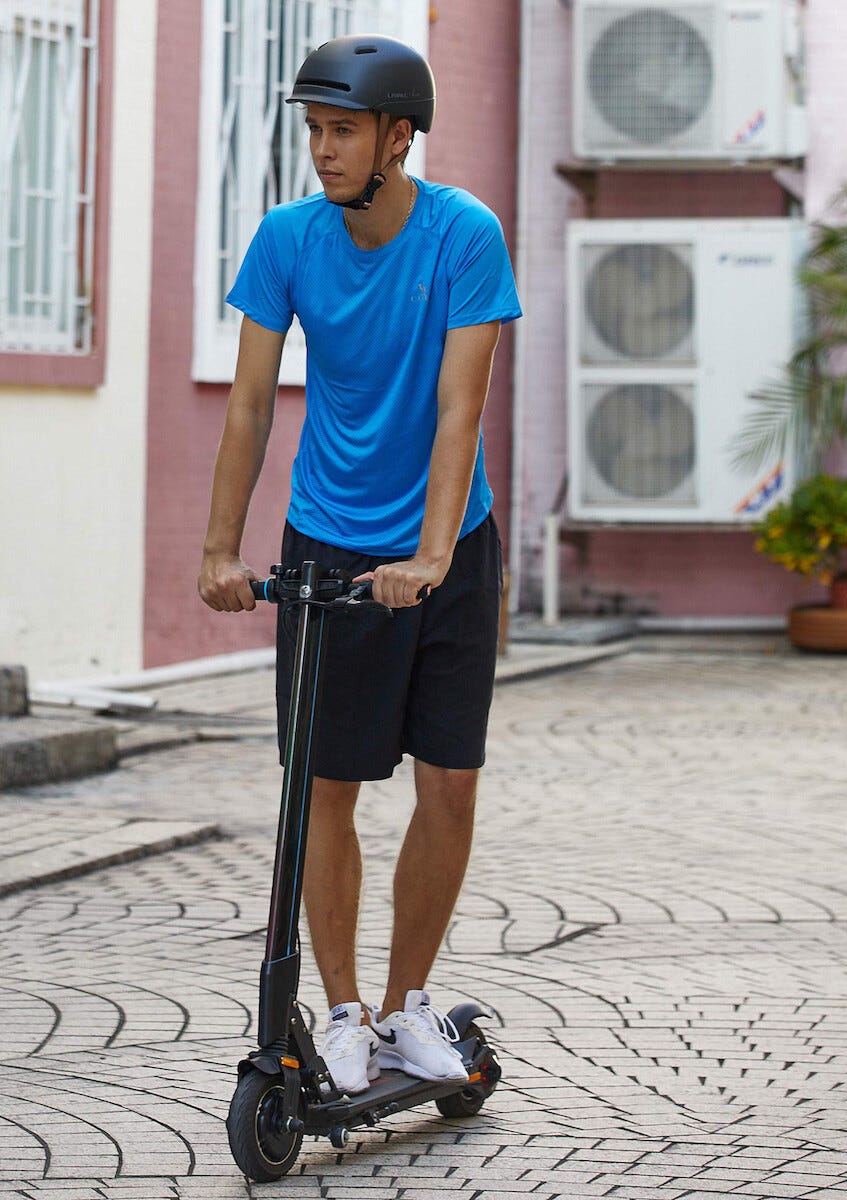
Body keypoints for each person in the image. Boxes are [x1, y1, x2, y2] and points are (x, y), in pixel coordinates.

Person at [198, 33, 521, 1096]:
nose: (324, 150)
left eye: (344, 131)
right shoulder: (287, 240)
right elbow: (250, 405)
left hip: (448, 546)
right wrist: (220, 548)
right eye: (315, 131)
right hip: (329, 544)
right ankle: (342, 1016)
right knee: (323, 789)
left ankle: (407, 1006)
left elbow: (460, 406)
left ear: (398, 138)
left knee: (450, 782)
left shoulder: (463, 234)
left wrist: (432, 552)